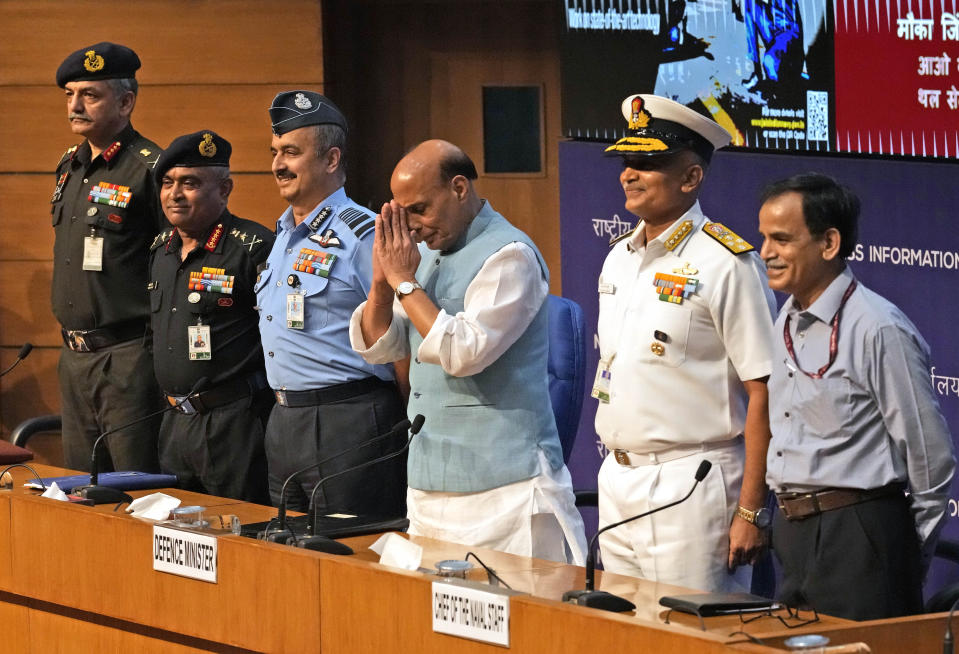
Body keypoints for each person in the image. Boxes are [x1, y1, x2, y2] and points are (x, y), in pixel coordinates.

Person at [350, 140, 587, 564]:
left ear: (459, 188)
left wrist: (404, 281)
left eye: (420, 209)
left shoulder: (510, 255)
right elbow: (379, 346)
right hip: (429, 479)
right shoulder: (418, 257)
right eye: (402, 215)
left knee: (518, 621)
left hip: (504, 490)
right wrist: (382, 285)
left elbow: (464, 352)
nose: (414, 227)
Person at [594, 94, 777, 592]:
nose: (629, 174)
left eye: (648, 163)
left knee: (692, 639)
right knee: (621, 635)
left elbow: (765, 390)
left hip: (691, 482)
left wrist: (752, 508)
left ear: (691, 178)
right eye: (628, 162)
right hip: (618, 476)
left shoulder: (727, 263)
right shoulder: (618, 258)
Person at [757, 173, 955, 620]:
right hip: (792, 531)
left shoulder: (878, 327)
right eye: (764, 238)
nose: (766, 252)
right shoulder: (785, 318)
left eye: (782, 239)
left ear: (829, 243)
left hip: (860, 534)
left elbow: (931, 456)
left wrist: (902, 553)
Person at [257, 91, 407, 513]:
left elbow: (401, 339)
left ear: (331, 159)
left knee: (352, 555)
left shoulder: (364, 234)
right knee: (286, 558)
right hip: (285, 419)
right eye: (274, 153)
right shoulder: (284, 235)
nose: (277, 165)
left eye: (290, 152)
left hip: (349, 421)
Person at [51, 42, 164, 472]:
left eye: (90, 95)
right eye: (70, 95)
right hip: (73, 357)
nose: (75, 106)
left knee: (135, 489)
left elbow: (172, 261)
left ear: (126, 101)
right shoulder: (69, 165)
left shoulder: (150, 168)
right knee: (81, 489)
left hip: (128, 356)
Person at [148, 130, 275, 503]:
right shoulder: (161, 249)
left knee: (240, 532)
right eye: (168, 182)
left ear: (224, 189)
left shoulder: (252, 247)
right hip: (174, 420)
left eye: (189, 183)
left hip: (233, 421)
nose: (175, 194)